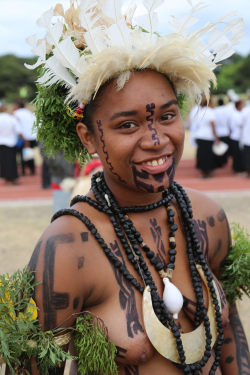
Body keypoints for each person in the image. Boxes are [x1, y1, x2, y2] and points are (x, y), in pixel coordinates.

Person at [10, 1, 250, 374]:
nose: (157, 139)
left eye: (167, 116)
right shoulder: (67, 248)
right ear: (88, 137)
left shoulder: (207, 217)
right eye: (127, 125)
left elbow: (231, 332)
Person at [193, 96, 219, 178]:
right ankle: (207, 171)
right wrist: (216, 137)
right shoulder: (210, 111)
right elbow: (213, 126)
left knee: (201, 155)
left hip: (200, 136)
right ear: (210, 103)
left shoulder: (200, 111)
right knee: (208, 155)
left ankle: (202, 171)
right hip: (208, 136)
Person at [13, 99, 37, 175]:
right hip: (32, 136)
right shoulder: (29, 112)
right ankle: (32, 170)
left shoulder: (16, 113)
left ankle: (23, 171)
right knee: (30, 153)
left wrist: (22, 136)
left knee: (21, 154)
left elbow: (16, 126)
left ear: (17, 106)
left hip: (22, 137)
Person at [0, 103, 21, 185]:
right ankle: (12, 178)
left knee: (3, 161)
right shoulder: (11, 118)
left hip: (1, 142)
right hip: (11, 142)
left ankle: (6, 178)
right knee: (12, 161)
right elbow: (18, 130)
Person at [213, 98, 231, 168]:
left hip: (218, 131)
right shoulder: (227, 110)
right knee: (225, 148)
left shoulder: (215, 110)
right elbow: (229, 120)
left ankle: (218, 163)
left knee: (218, 147)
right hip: (225, 131)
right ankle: (224, 161)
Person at [228, 100, 245, 173]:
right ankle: (237, 168)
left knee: (238, 154)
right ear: (238, 106)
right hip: (236, 137)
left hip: (236, 136)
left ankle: (238, 167)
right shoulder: (236, 114)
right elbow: (241, 124)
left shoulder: (236, 114)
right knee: (237, 154)